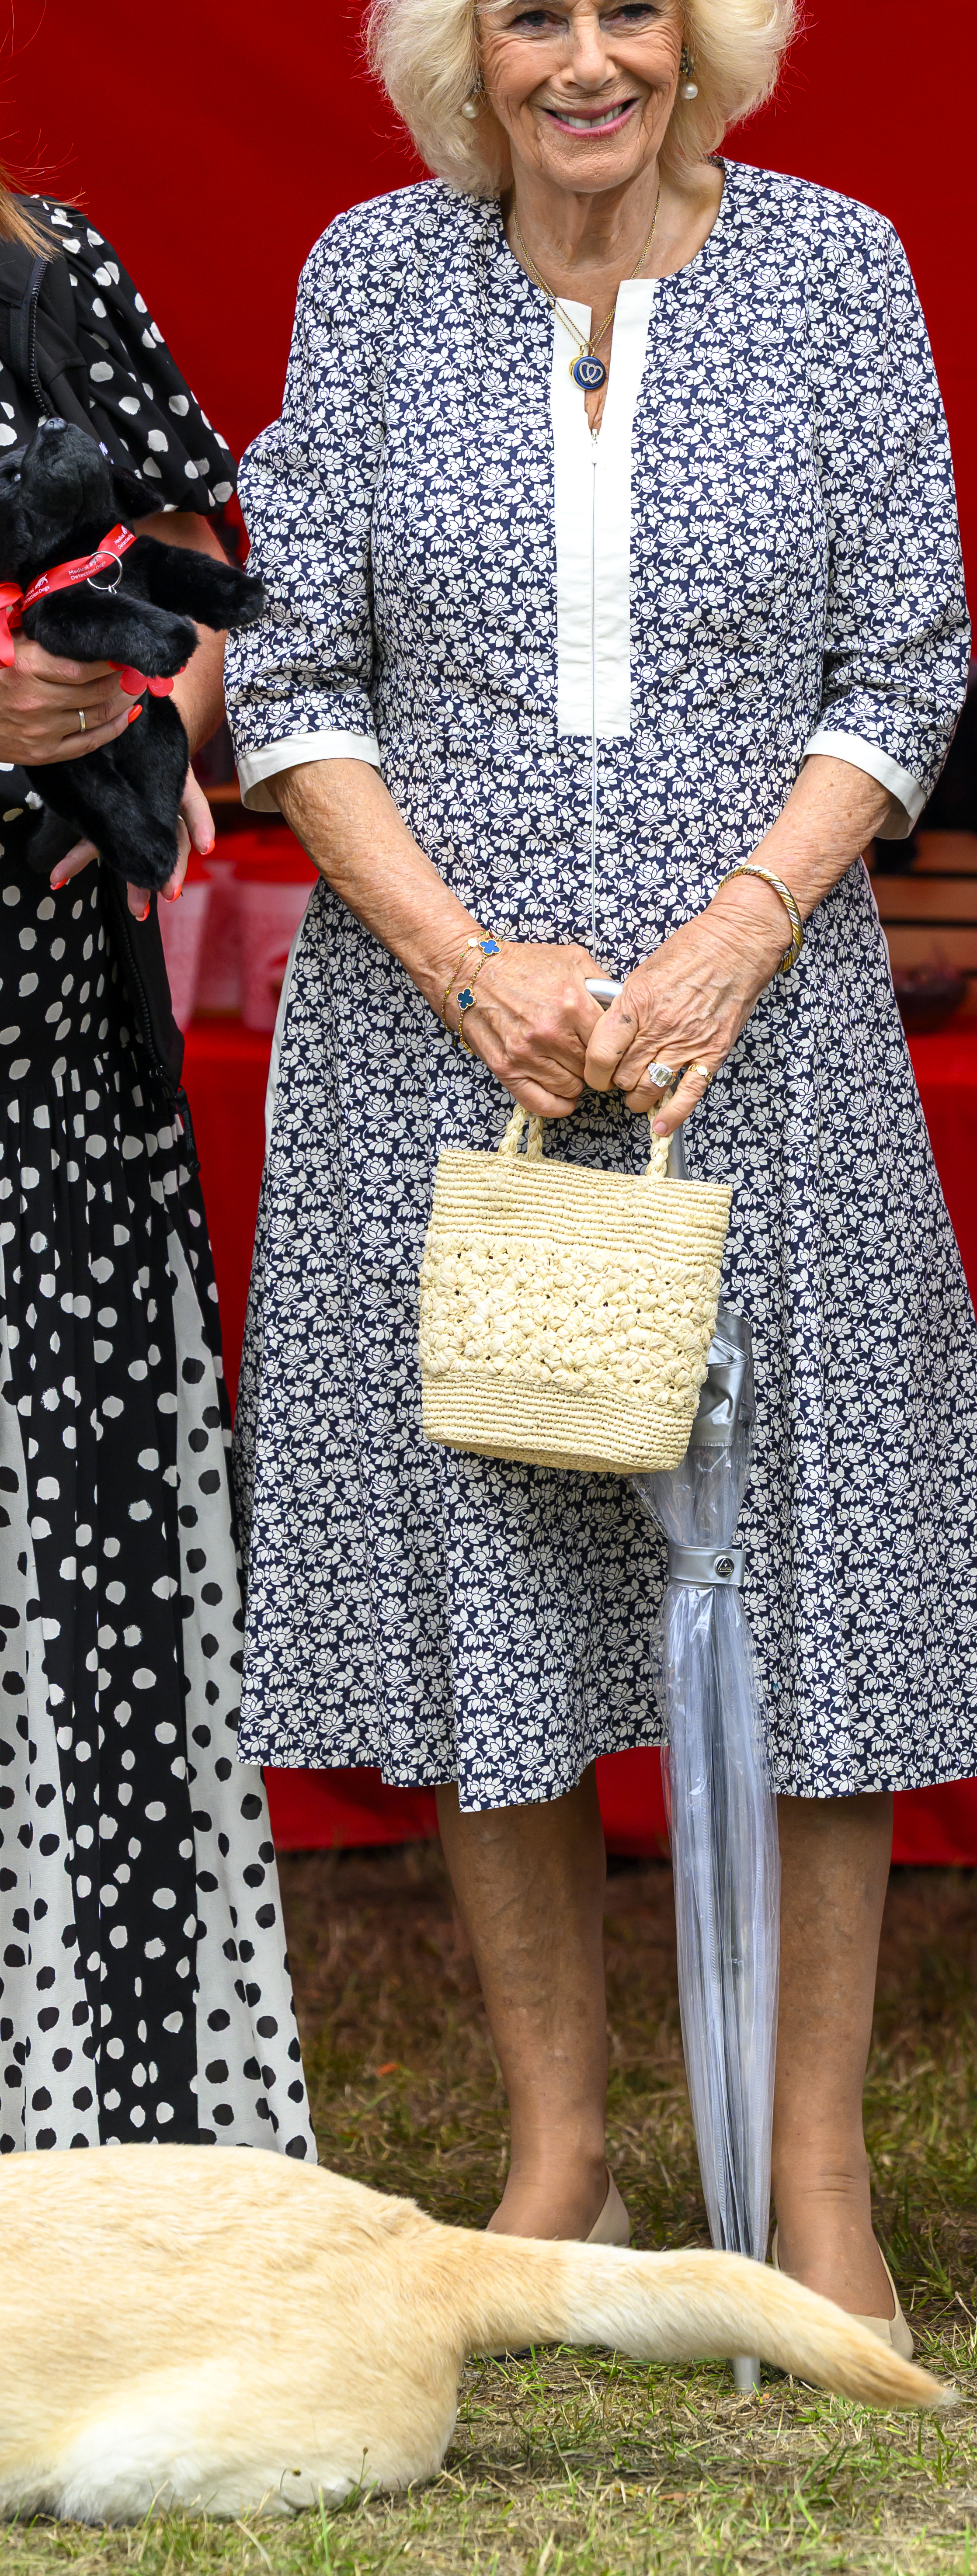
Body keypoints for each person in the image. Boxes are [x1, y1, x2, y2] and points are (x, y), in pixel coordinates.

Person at [224, 0, 977, 2330]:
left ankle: (808, 2182)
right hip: (441, 1039)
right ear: (462, 53)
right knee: (492, 1592)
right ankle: (561, 2151)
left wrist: (721, 941)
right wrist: (477, 957)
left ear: (708, 24)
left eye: (628, 5)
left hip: (756, 1041)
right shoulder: (372, 280)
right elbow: (293, 666)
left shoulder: (839, 270)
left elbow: (911, 655)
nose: (588, 58)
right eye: (534, 13)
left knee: (810, 1599)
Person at [0, 162, 311, 2157]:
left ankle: (112, 2158)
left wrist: (141, 712)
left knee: (98, 1621)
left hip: (56, 1077)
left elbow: (209, 571)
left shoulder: (47, 255)